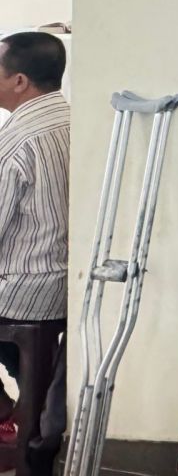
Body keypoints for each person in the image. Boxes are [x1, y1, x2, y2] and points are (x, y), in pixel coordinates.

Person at [0, 33, 69, 473]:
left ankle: (11, 412)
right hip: (66, 279)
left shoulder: (17, 140)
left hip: (24, 287)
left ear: (20, 80)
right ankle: (31, 404)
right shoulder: (73, 118)